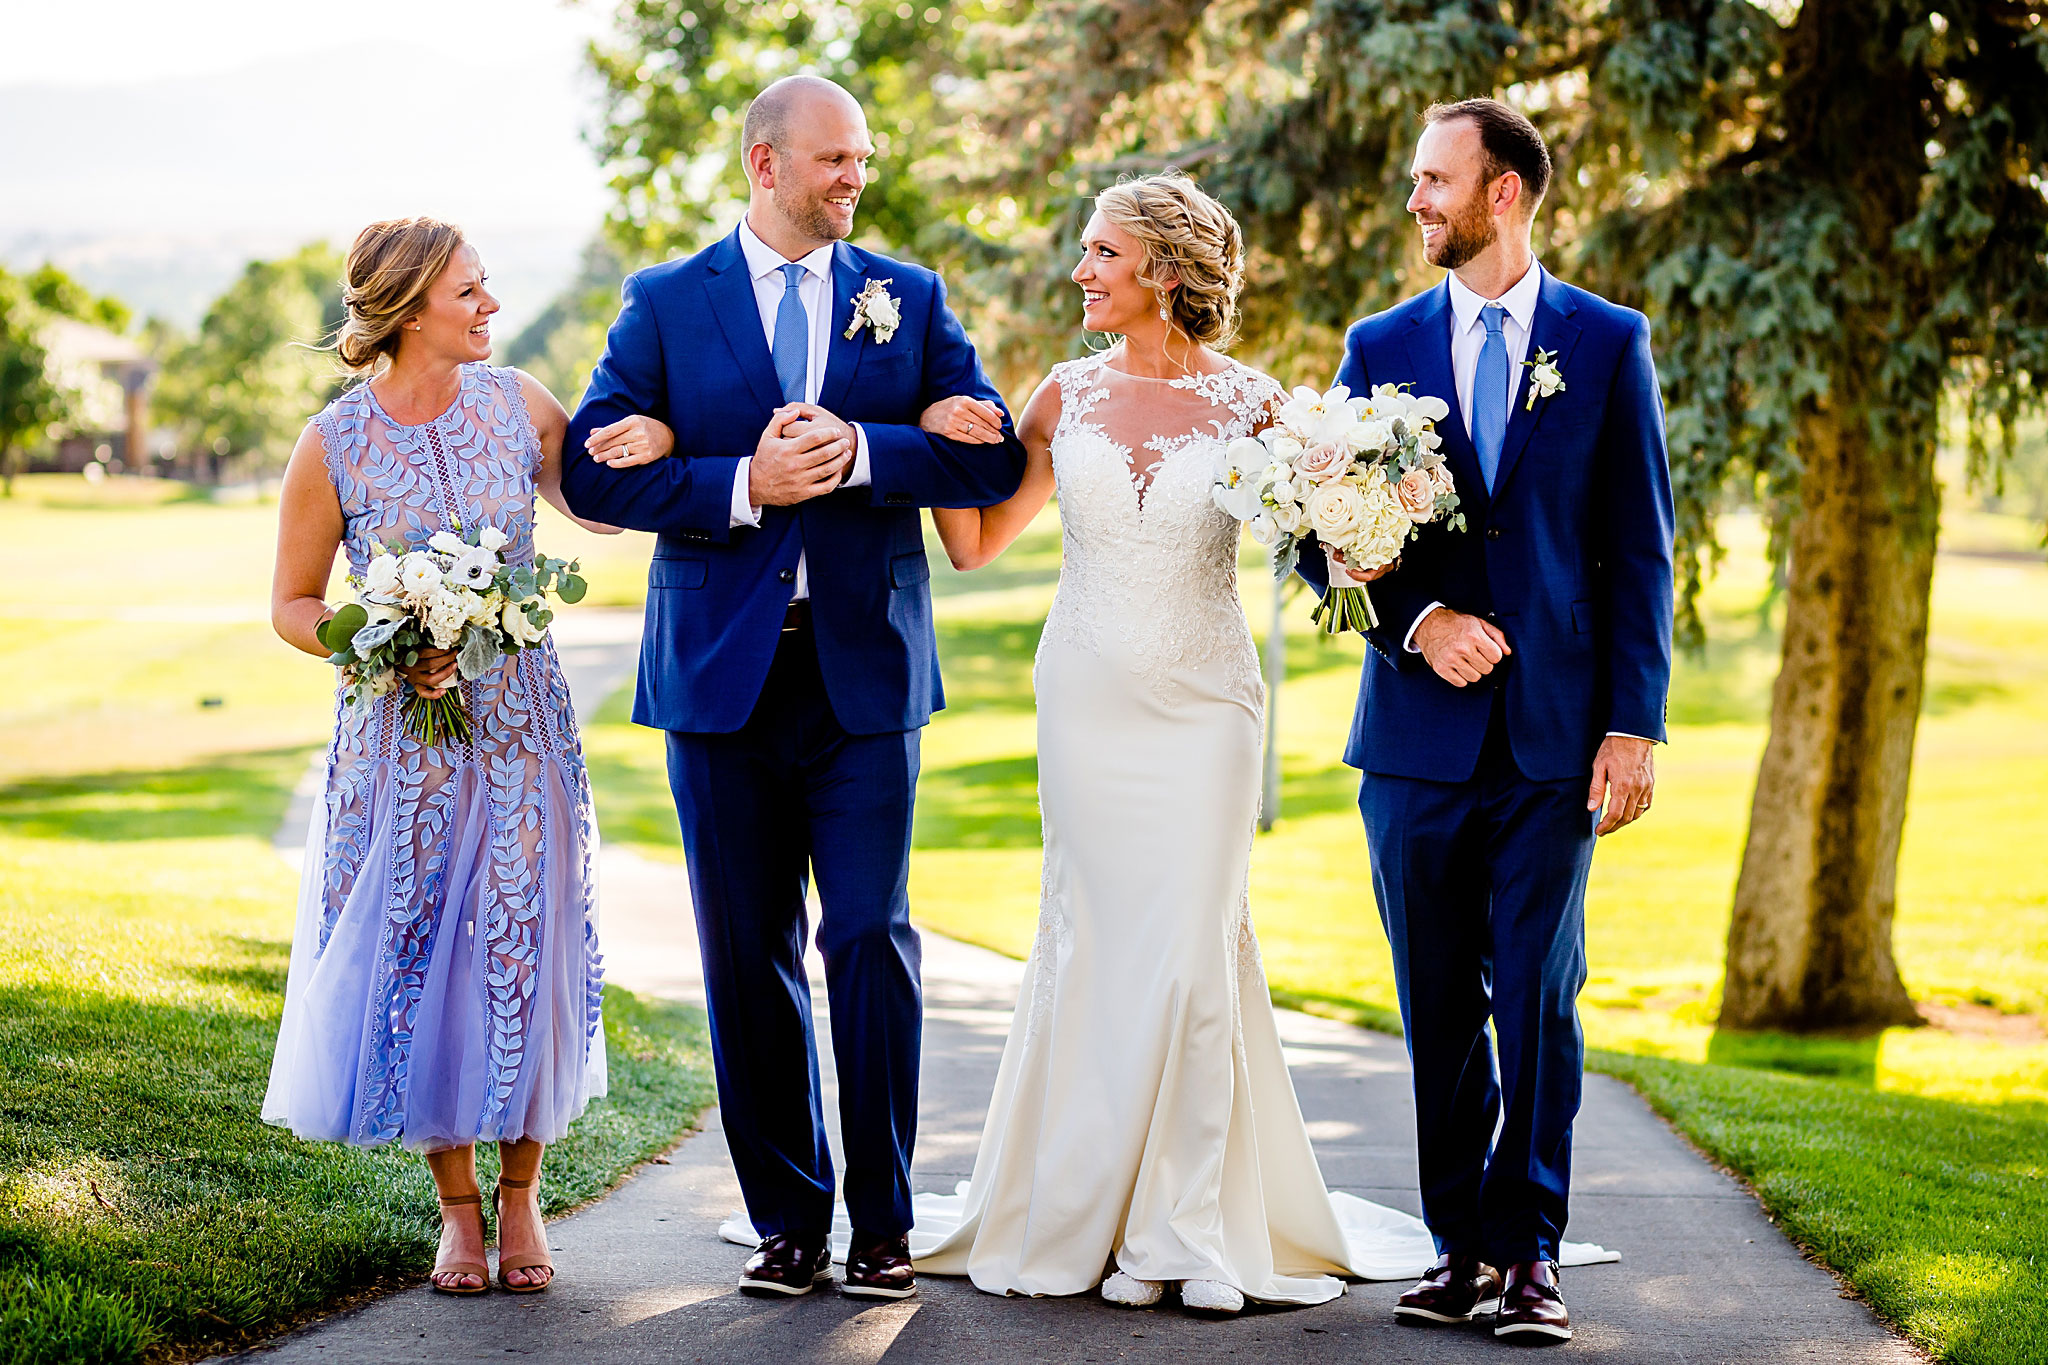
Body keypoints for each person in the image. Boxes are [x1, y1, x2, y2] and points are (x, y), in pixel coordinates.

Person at [897, 171, 1582, 1315]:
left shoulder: (1258, 405)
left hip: (1208, 705)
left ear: (1163, 271)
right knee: (1099, 940)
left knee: (1192, 947)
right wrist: (929, 436)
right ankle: (1082, 1211)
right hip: (1085, 698)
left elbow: (1326, 545)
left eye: (1101, 255)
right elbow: (972, 545)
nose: (1081, 273)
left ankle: (1185, 1224)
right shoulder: (1060, 397)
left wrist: (1369, 545)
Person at [557, 76, 1027, 1301]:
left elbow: (993, 451)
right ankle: (784, 1220)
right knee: (742, 952)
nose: (852, 179)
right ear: (765, 164)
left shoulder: (906, 297)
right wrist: (733, 479)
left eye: (861, 160)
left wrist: (868, 452)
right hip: (720, 682)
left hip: (865, 673)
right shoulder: (664, 302)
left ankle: (883, 1223)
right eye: (832, 159)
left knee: (869, 938)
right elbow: (595, 474)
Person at [1305, 99, 1676, 1343]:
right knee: (1434, 1009)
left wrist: (1632, 726)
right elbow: (1324, 537)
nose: (1415, 201)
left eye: (1432, 180)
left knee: (1533, 995)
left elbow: (1638, 551)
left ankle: (1530, 1259)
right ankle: (1456, 1246)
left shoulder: (1607, 342)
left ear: (1503, 192)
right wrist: (1414, 621)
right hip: (1413, 741)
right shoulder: (1378, 342)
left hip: (1554, 741)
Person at [265, 218, 674, 1295]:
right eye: (470, 292)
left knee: (519, 949)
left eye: (488, 288)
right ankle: (456, 1213)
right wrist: (387, 641)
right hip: (398, 745)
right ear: (407, 309)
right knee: (416, 959)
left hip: (521, 733)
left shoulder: (518, 404)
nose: (491, 307)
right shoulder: (335, 443)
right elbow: (294, 605)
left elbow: (602, 505)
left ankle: (525, 1201)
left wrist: (656, 445)